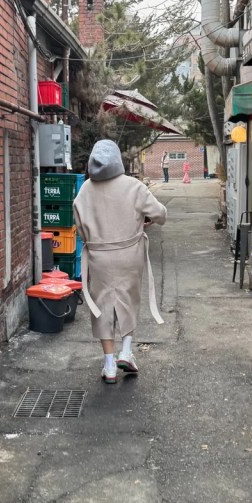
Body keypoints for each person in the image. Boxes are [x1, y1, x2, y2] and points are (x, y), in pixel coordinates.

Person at [73, 140, 167, 384]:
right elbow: (160, 214)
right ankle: (126, 352)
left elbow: (80, 227)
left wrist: (94, 240)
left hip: (99, 258)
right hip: (129, 255)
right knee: (128, 300)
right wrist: (144, 220)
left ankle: (109, 365)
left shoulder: (85, 190)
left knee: (103, 307)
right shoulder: (133, 186)